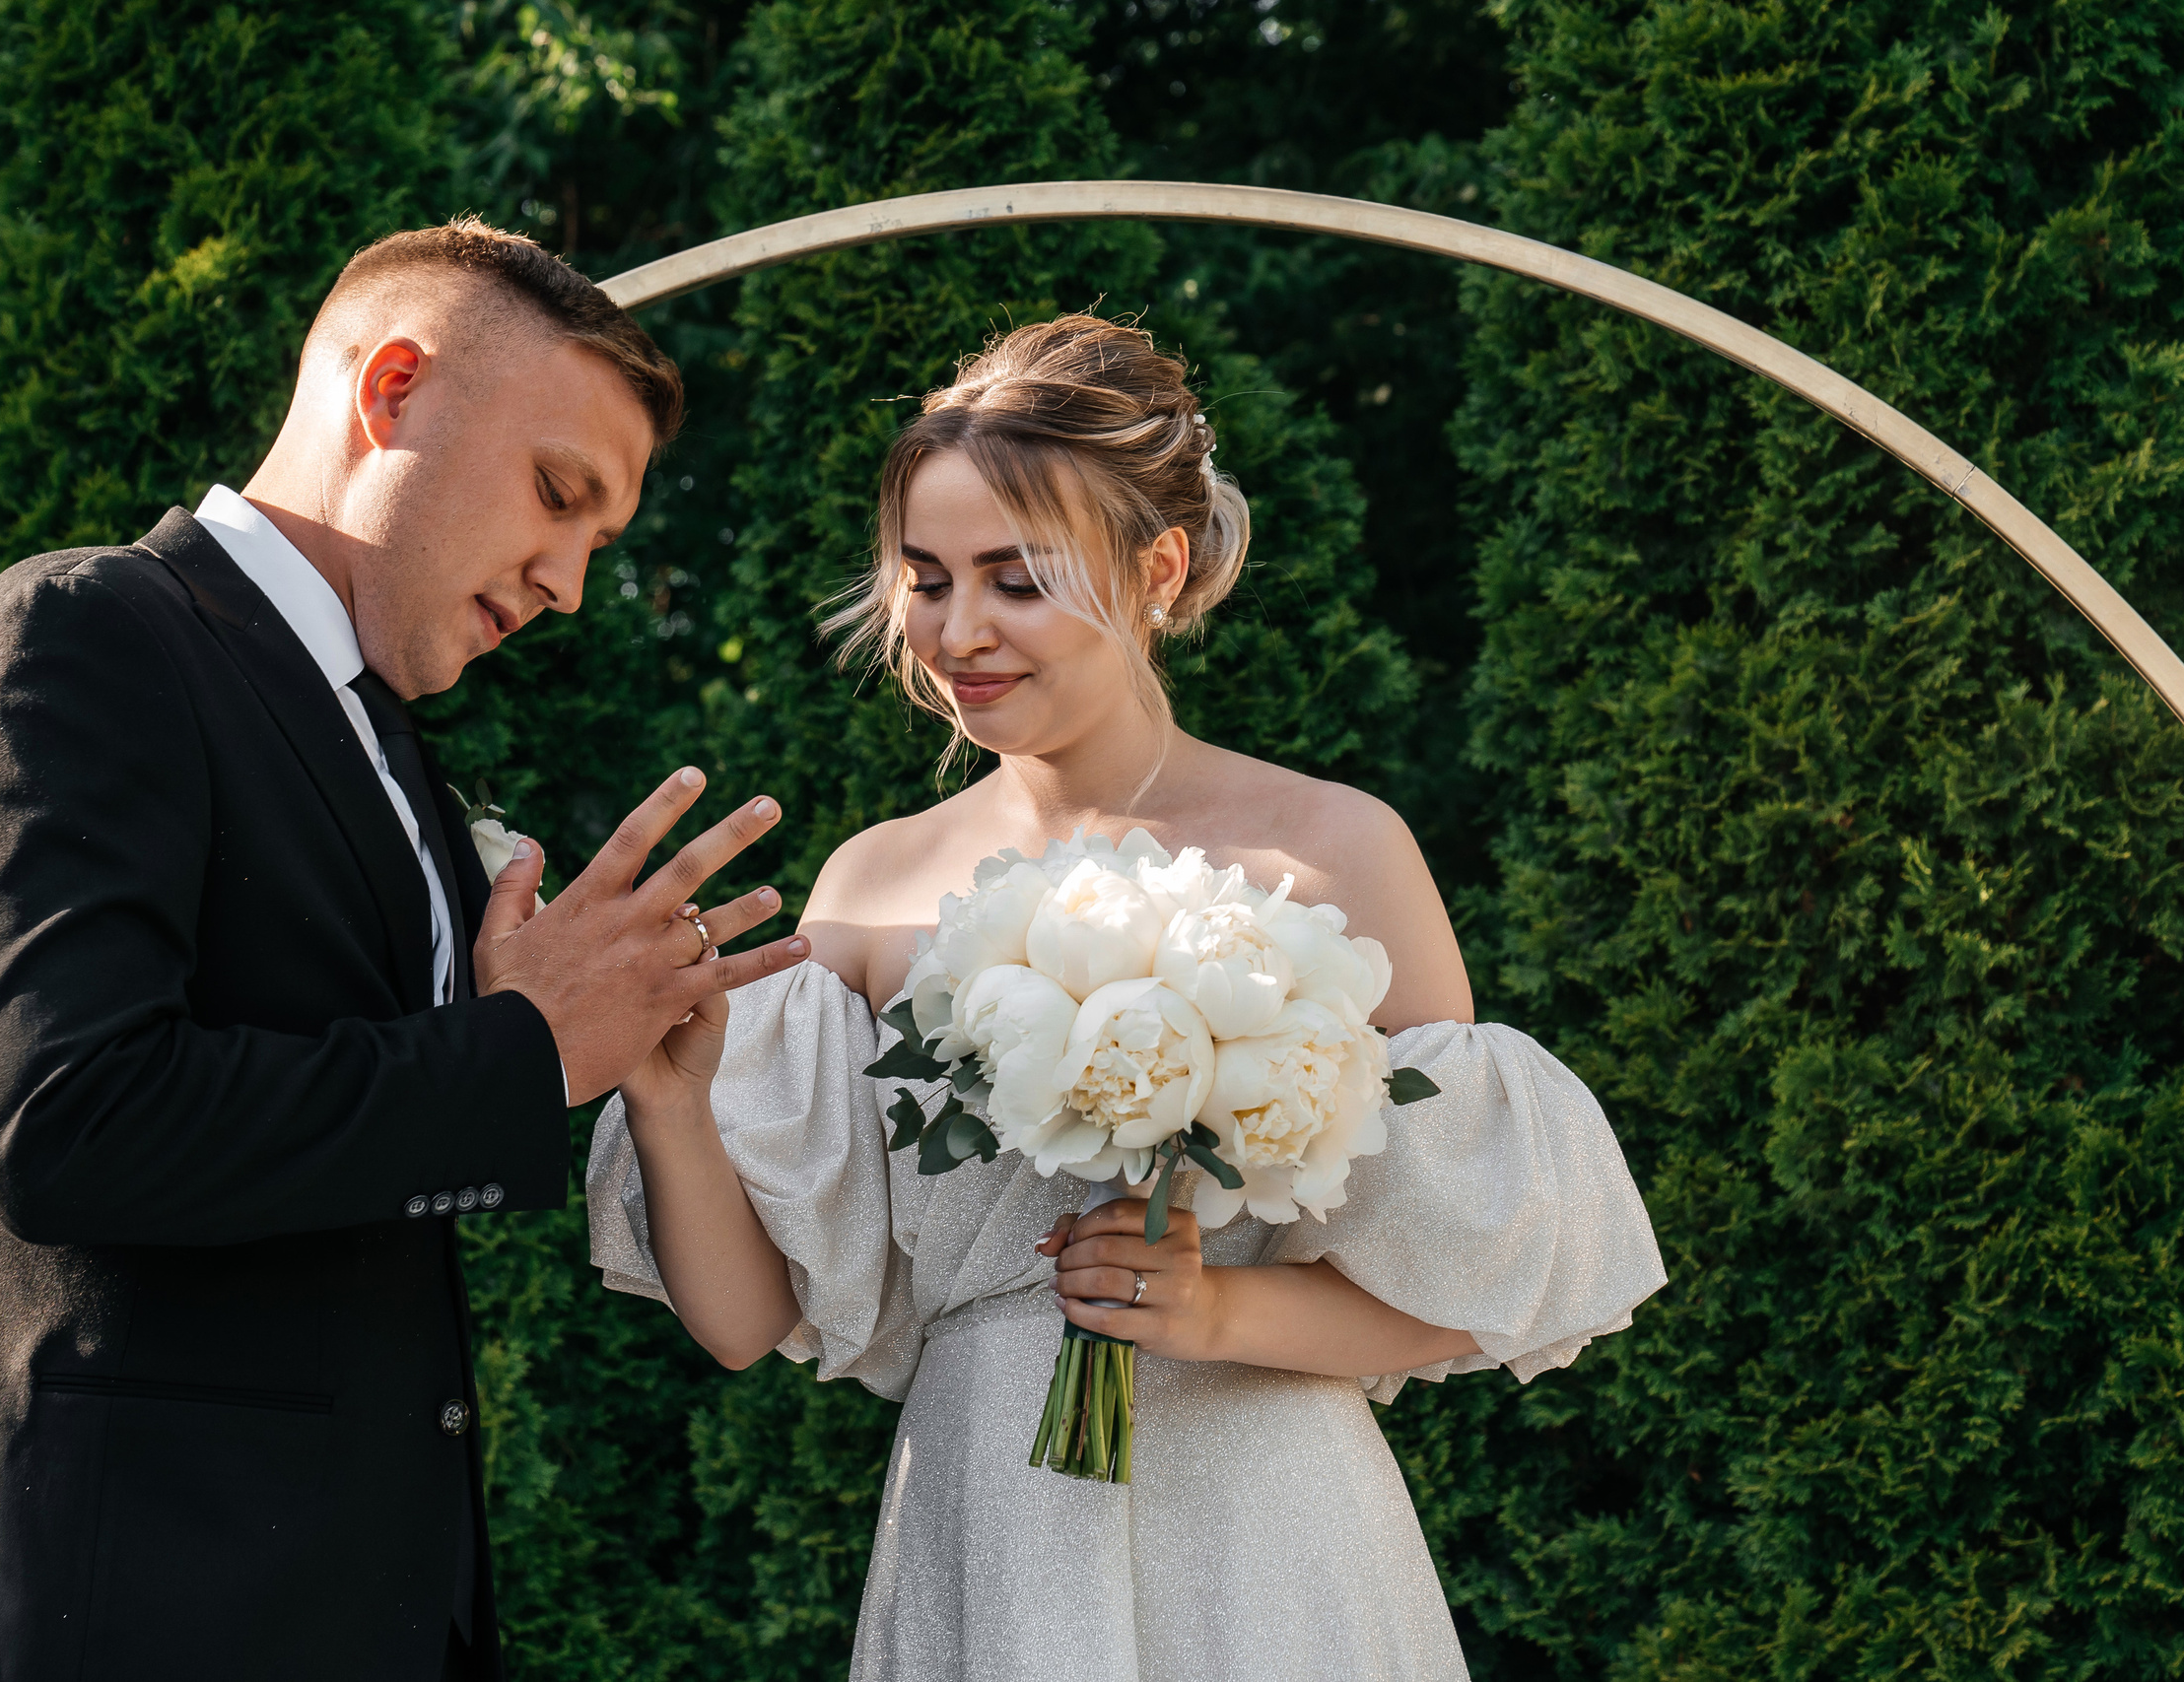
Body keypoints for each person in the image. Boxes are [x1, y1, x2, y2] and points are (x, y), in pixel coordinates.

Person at [587, 314, 1669, 1678]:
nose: (956, 630)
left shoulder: (1333, 853)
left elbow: (1483, 1279)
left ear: (1156, 568)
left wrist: (1222, 1315)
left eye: (1016, 579)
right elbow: (742, 1326)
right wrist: (673, 1104)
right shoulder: (869, 890)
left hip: (1271, 1528)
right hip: (991, 1516)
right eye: (926, 578)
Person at [0, 218, 809, 1682]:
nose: (569, 583)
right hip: (83, 1616)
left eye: (600, 542)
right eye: (558, 494)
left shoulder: (393, 754)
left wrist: (548, 1025)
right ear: (392, 389)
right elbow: (59, 1123)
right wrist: (520, 1050)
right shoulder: (82, 632)